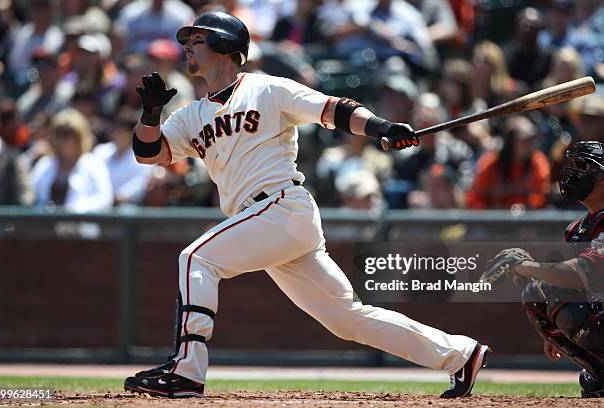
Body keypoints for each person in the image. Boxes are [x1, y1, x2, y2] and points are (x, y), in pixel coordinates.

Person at [123, 11, 489, 399]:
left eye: (197, 39)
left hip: (281, 207)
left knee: (196, 258)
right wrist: (149, 114)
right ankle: (461, 354)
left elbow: (334, 109)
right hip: (264, 223)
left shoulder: (266, 89)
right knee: (347, 319)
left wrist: (381, 127)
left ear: (225, 46)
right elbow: (150, 153)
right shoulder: (191, 115)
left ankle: (186, 370)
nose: (187, 47)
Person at [489, 141, 604, 397]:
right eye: (575, 166)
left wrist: (525, 266)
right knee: (536, 293)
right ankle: (600, 373)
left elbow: (582, 273)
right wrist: (550, 333)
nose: (575, 174)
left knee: (553, 289)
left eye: (585, 168)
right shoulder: (577, 229)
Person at [31, 108, 113, 212]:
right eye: (59, 133)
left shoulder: (93, 164)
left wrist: (74, 209)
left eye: (68, 134)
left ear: (79, 137)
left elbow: (104, 199)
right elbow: (32, 195)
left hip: (81, 224)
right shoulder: (45, 163)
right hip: (46, 225)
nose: (62, 140)